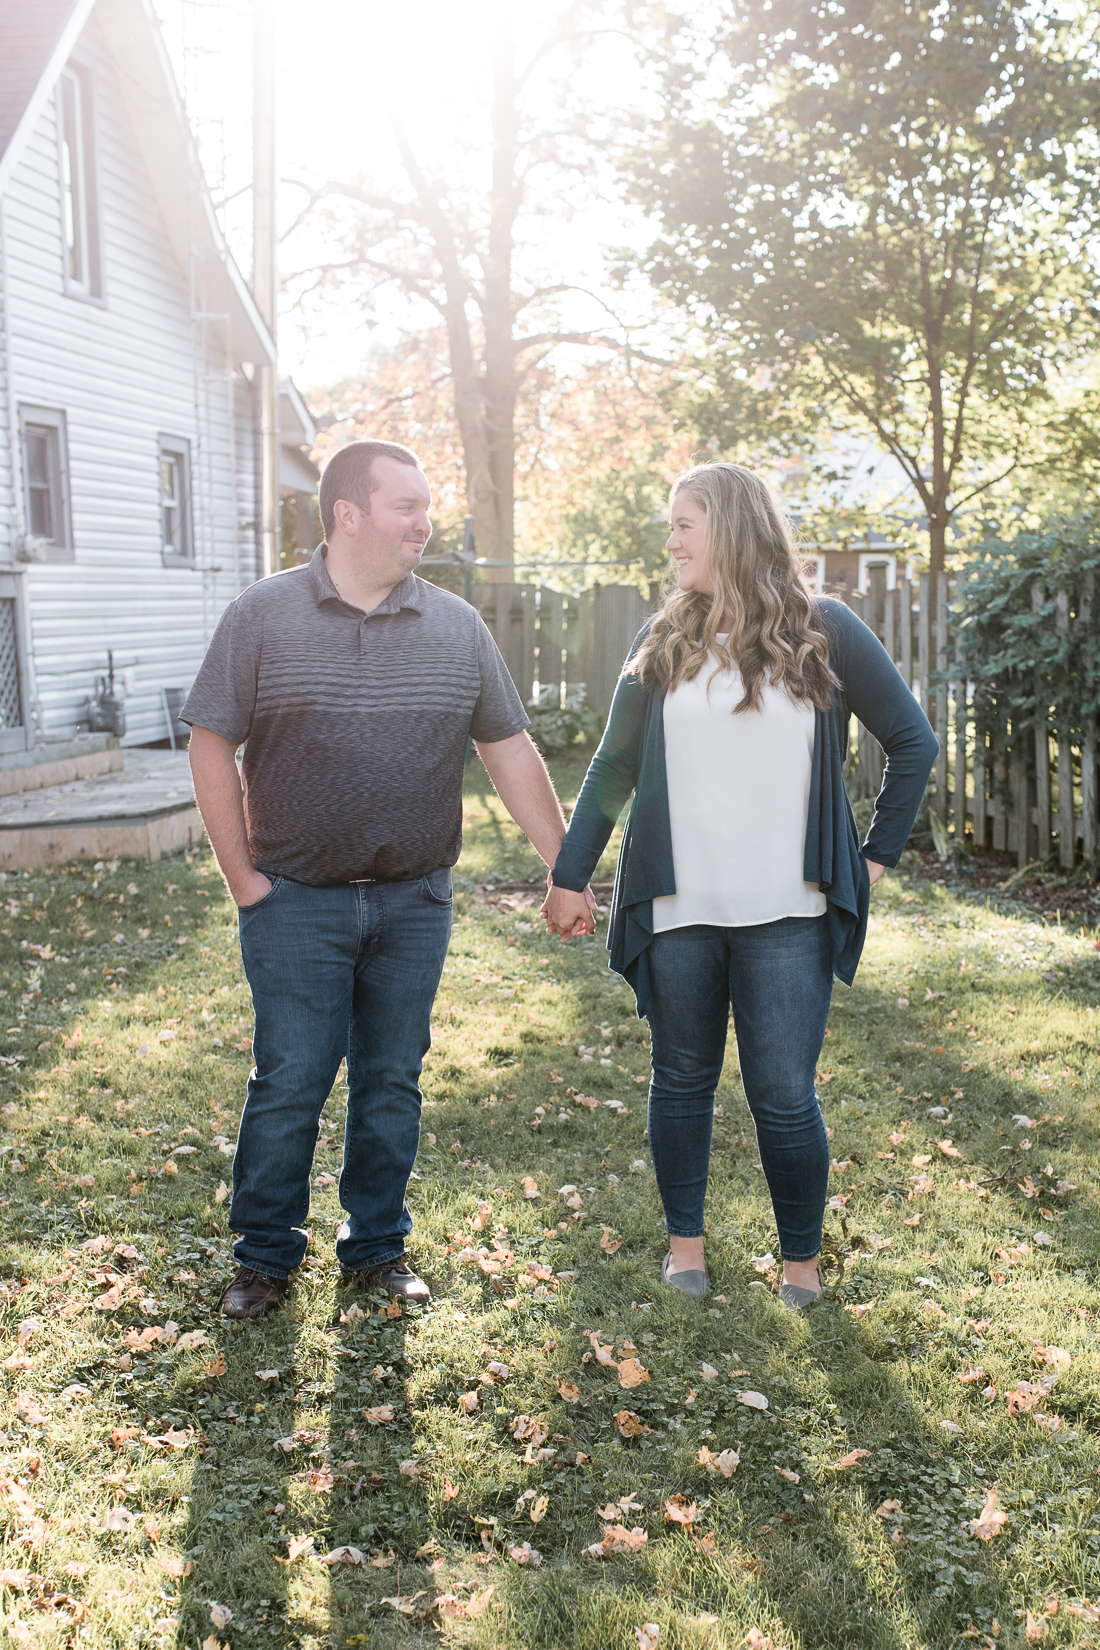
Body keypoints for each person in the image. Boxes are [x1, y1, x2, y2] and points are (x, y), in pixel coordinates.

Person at [185, 438, 591, 1319]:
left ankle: (375, 1247)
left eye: (425, 504)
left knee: (392, 1079)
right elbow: (210, 739)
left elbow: (509, 748)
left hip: (414, 902)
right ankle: (263, 1259)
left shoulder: (455, 625)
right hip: (293, 899)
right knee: (290, 1076)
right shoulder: (263, 615)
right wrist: (243, 881)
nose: (425, 521)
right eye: (406, 505)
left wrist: (566, 867)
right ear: (347, 514)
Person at [542, 463, 937, 1306]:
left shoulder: (823, 629)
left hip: (790, 913)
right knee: (681, 1080)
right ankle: (686, 1249)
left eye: (685, 523)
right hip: (680, 909)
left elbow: (912, 741)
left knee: (785, 1097)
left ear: (731, 527)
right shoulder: (663, 639)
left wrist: (871, 861)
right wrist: (569, 877)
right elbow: (612, 768)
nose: (672, 539)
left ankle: (801, 1263)